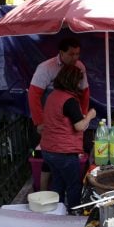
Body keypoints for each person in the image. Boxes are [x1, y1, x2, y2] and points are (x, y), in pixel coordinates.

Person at [29, 37, 90, 190]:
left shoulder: (80, 66)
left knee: (58, 159)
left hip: (69, 117)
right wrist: (39, 122)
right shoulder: (46, 68)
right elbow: (34, 95)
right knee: (48, 158)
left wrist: (81, 114)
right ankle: (43, 192)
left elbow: (85, 93)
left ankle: (57, 195)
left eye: (77, 54)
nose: (75, 58)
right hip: (48, 119)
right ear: (61, 53)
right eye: (71, 54)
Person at [40, 64, 96, 210]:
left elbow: (61, 118)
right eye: (78, 81)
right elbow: (79, 126)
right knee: (73, 185)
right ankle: (73, 213)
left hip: (48, 150)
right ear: (72, 81)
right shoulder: (69, 100)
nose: (79, 84)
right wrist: (90, 115)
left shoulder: (52, 96)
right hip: (63, 152)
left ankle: (57, 212)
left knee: (58, 182)